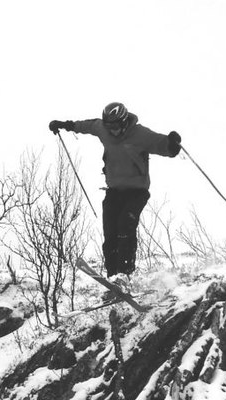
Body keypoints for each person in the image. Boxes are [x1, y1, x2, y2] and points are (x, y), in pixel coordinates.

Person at [49, 102, 181, 279]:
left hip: (136, 192)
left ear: (125, 122)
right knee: (110, 233)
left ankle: (124, 275)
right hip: (114, 191)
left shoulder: (140, 134)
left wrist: (172, 145)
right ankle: (113, 277)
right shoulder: (103, 129)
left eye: (117, 126)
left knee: (125, 226)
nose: (113, 130)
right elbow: (86, 125)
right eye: (109, 126)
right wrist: (65, 125)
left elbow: (162, 145)